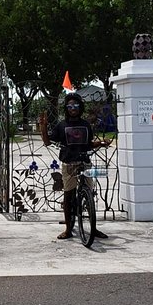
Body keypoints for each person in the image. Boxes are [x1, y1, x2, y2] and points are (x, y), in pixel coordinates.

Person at [39, 93, 110, 240]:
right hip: (69, 163)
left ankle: (93, 228)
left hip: (85, 162)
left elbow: (89, 144)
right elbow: (47, 142)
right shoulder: (61, 125)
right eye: (70, 106)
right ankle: (68, 229)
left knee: (89, 192)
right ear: (66, 108)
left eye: (76, 106)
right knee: (68, 195)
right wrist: (43, 127)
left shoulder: (85, 125)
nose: (73, 108)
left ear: (80, 107)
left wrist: (102, 143)